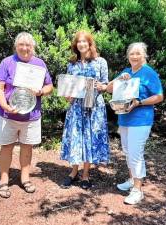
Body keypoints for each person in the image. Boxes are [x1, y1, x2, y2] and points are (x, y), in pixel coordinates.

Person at [0, 32, 53, 198]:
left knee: (27, 147)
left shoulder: (40, 64)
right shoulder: (7, 62)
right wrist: (4, 105)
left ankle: (25, 178)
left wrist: (41, 91)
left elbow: (49, 86)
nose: (25, 48)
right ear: (16, 46)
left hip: (31, 115)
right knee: (7, 146)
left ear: (33, 47)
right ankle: (4, 180)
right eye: (21, 45)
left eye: (28, 45)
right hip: (8, 114)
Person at [107, 42, 163, 204]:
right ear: (128, 56)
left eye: (138, 53)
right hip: (124, 118)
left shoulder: (149, 73)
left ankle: (138, 190)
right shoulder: (126, 72)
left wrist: (139, 102)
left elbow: (159, 96)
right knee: (127, 150)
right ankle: (132, 181)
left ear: (144, 55)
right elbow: (109, 89)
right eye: (132, 53)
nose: (134, 56)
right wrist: (119, 78)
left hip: (141, 120)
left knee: (135, 152)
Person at [60, 30, 110, 189]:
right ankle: (73, 172)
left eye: (84, 41)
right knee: (75, 138)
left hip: (93, 106)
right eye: (78, 42)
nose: (81, 44)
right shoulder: (71, 64)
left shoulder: (100, 62)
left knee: (89, 138)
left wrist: (101, 87)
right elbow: (68, 87)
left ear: (90, 43)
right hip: (76, 108)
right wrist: (67, 95)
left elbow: (106, 85)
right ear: (76, 45)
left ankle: (86, 174)